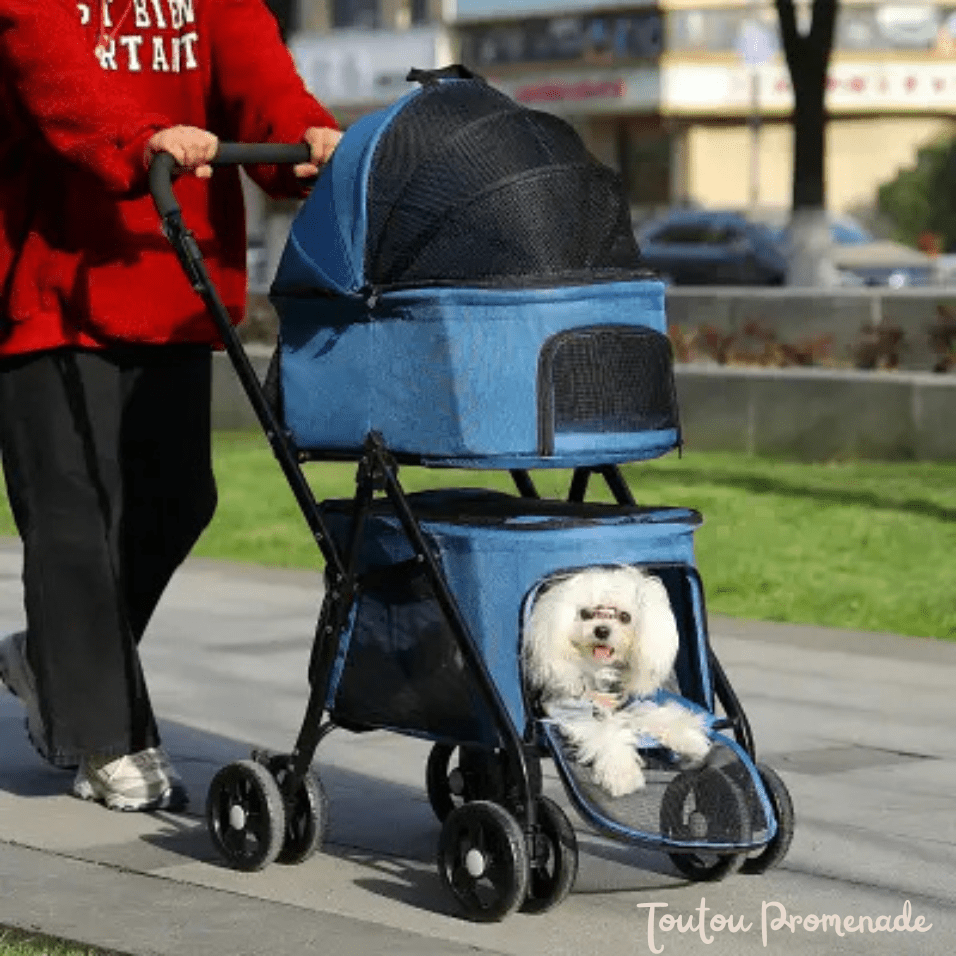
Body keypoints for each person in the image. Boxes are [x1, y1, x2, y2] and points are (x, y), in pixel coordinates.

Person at [0, 0, 341, 811]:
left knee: (179, 497)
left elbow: (261, 82)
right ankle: (107, 739)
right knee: (75, 517)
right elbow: (57, 79)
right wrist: (142, 135)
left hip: (174, 278)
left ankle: (54, 663)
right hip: (51, 283)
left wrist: (309, 140)